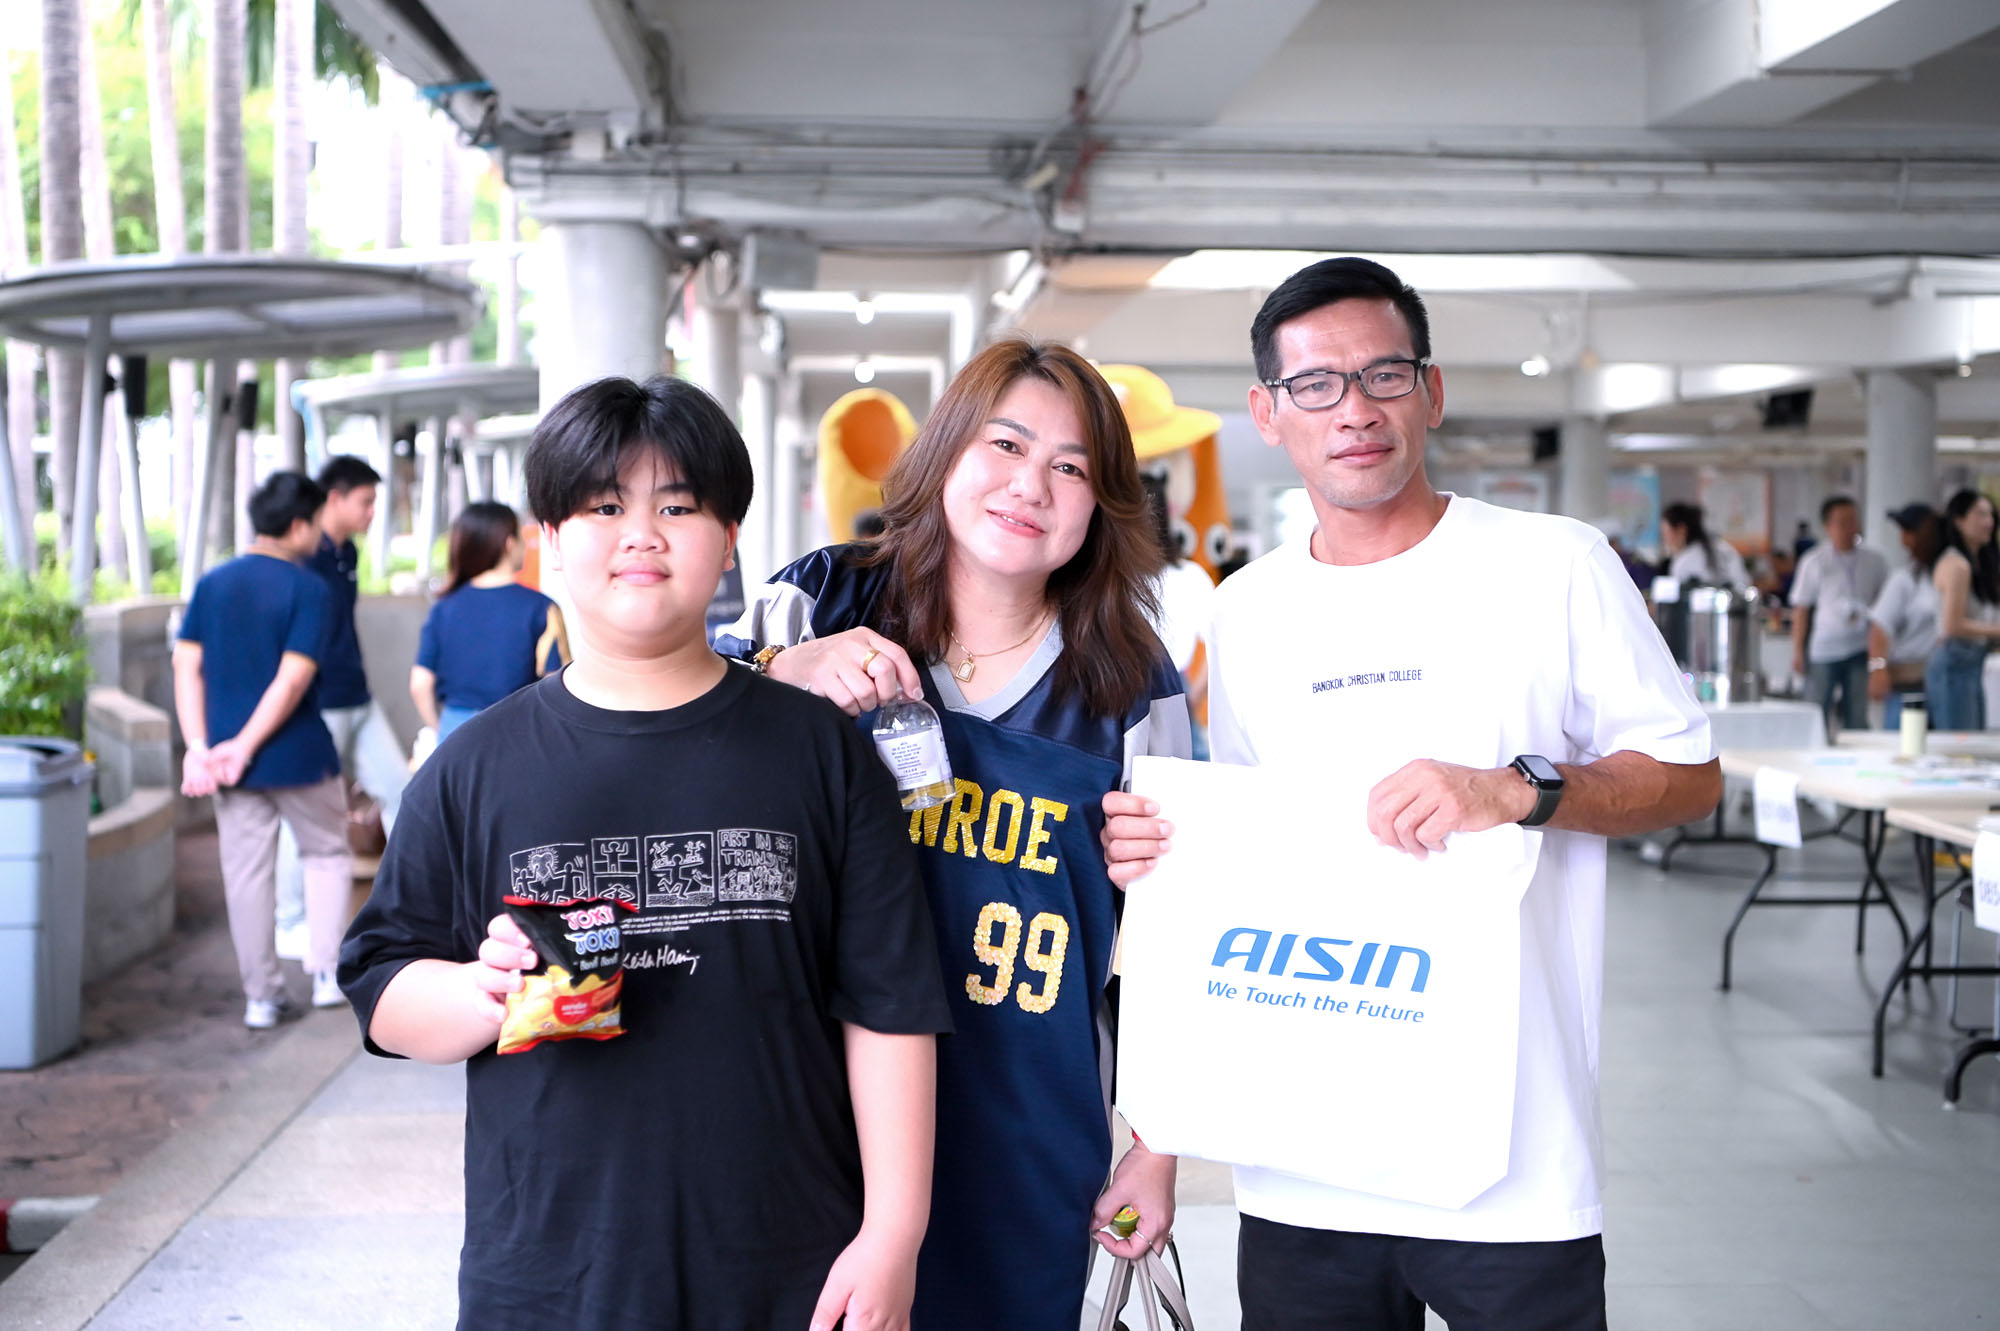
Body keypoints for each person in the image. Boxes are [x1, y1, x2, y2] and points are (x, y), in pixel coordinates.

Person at [1101, 257, 1720, 1331]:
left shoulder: (1555, 565)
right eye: (1314, 385)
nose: (1354, 409)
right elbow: (1237, 878)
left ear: (1429, 391)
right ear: (1268, 413)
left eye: (1383, 375)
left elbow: (1688, 778)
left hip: (1512, 1164)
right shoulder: (1248, 611)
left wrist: (1516, 789)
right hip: (1299, 1158)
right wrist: (1154, 1141)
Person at [339, 375, 950, 1330]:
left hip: (790, 1265)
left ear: (730, 539)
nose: (642, 535)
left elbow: (890, 1006)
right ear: (549, 539)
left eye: (678, 506)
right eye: (604, 507)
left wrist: (892, 1235)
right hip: (550, 1276)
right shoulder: (473, 769)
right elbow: (382, 988)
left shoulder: (820, 752)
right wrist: (482, 992)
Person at [714, 338, 1190, 1331]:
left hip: (1022, 1131)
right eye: (1005, 444)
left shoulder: (1131, 680)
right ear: (944, 450)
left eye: (1070, 466)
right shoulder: (819, 601)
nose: (1031, 485)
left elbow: (1175, 935)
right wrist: (778, 673)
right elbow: (672, 734)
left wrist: (1156, 1145)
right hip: (806, 1114)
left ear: (1103, 501)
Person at [173, 472, 354, 1026]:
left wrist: (201, 747)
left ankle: (262, 997)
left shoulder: (213, 582)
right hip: (299, 755)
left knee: (246, 876)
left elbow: (186, 664)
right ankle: (326, 974)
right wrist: (245, 746)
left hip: (229, 764)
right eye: (317, 522)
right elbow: (293, 679)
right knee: (326, 853)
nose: (320, 533)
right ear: (298, 526)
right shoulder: (310, 588)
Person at [273, 455, 409, 962]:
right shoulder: (300, 556)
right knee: (306, 816)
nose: (373, 512)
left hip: (359, 697)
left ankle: (411, 908)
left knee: (404, 792)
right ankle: (290, 922)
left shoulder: (346, 552)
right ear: (334, 498)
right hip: (318, 705)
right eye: (366, 501)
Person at [409, 501, 569, 740]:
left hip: (455, 730)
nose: (525, 545)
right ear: (509, 544)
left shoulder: (444, 607)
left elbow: (420, 684)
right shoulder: (541, 607)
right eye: (521, 537)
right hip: (515, 729)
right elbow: (556, 685)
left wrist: (440, 731)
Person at [1789, 495, 1889, 733]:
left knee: (1857, 715)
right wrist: (1798, 651)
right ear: (1828, 526)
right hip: (1825, 648)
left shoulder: (1874, 561)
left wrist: (1880, 656)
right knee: (1816, 712)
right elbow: (1801, 609)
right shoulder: (1814, 561)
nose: (1849, 528)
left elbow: (1884, 610)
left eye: (1853, 521)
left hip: (1860, 648)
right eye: (1842, 522)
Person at [1927, 488, 2000, 730]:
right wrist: (1995, 630)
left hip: (1972, 662)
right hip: (1955, 662)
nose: (1988, 522)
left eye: (1990, 515)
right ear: (1958, 520)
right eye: (1980, 514)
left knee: (1973, 738)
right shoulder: (1956, 564)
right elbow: (1953, 625)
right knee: (1960, 742)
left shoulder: (1978, 563)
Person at [1867, 503, 1942, 730]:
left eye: (1908, 532)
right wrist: (1878, 669)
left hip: (1941, 683)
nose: (1903, 539)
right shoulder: (1904, 580)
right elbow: (1880, 627)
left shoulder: (1945, 574)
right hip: (1907, 683)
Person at [1661, 501, 1750, 587]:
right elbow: (1744, 581)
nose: (1665, 539)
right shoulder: (1725, 548)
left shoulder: (1683, 563)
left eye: (1665, 532)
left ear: (1681, 530)